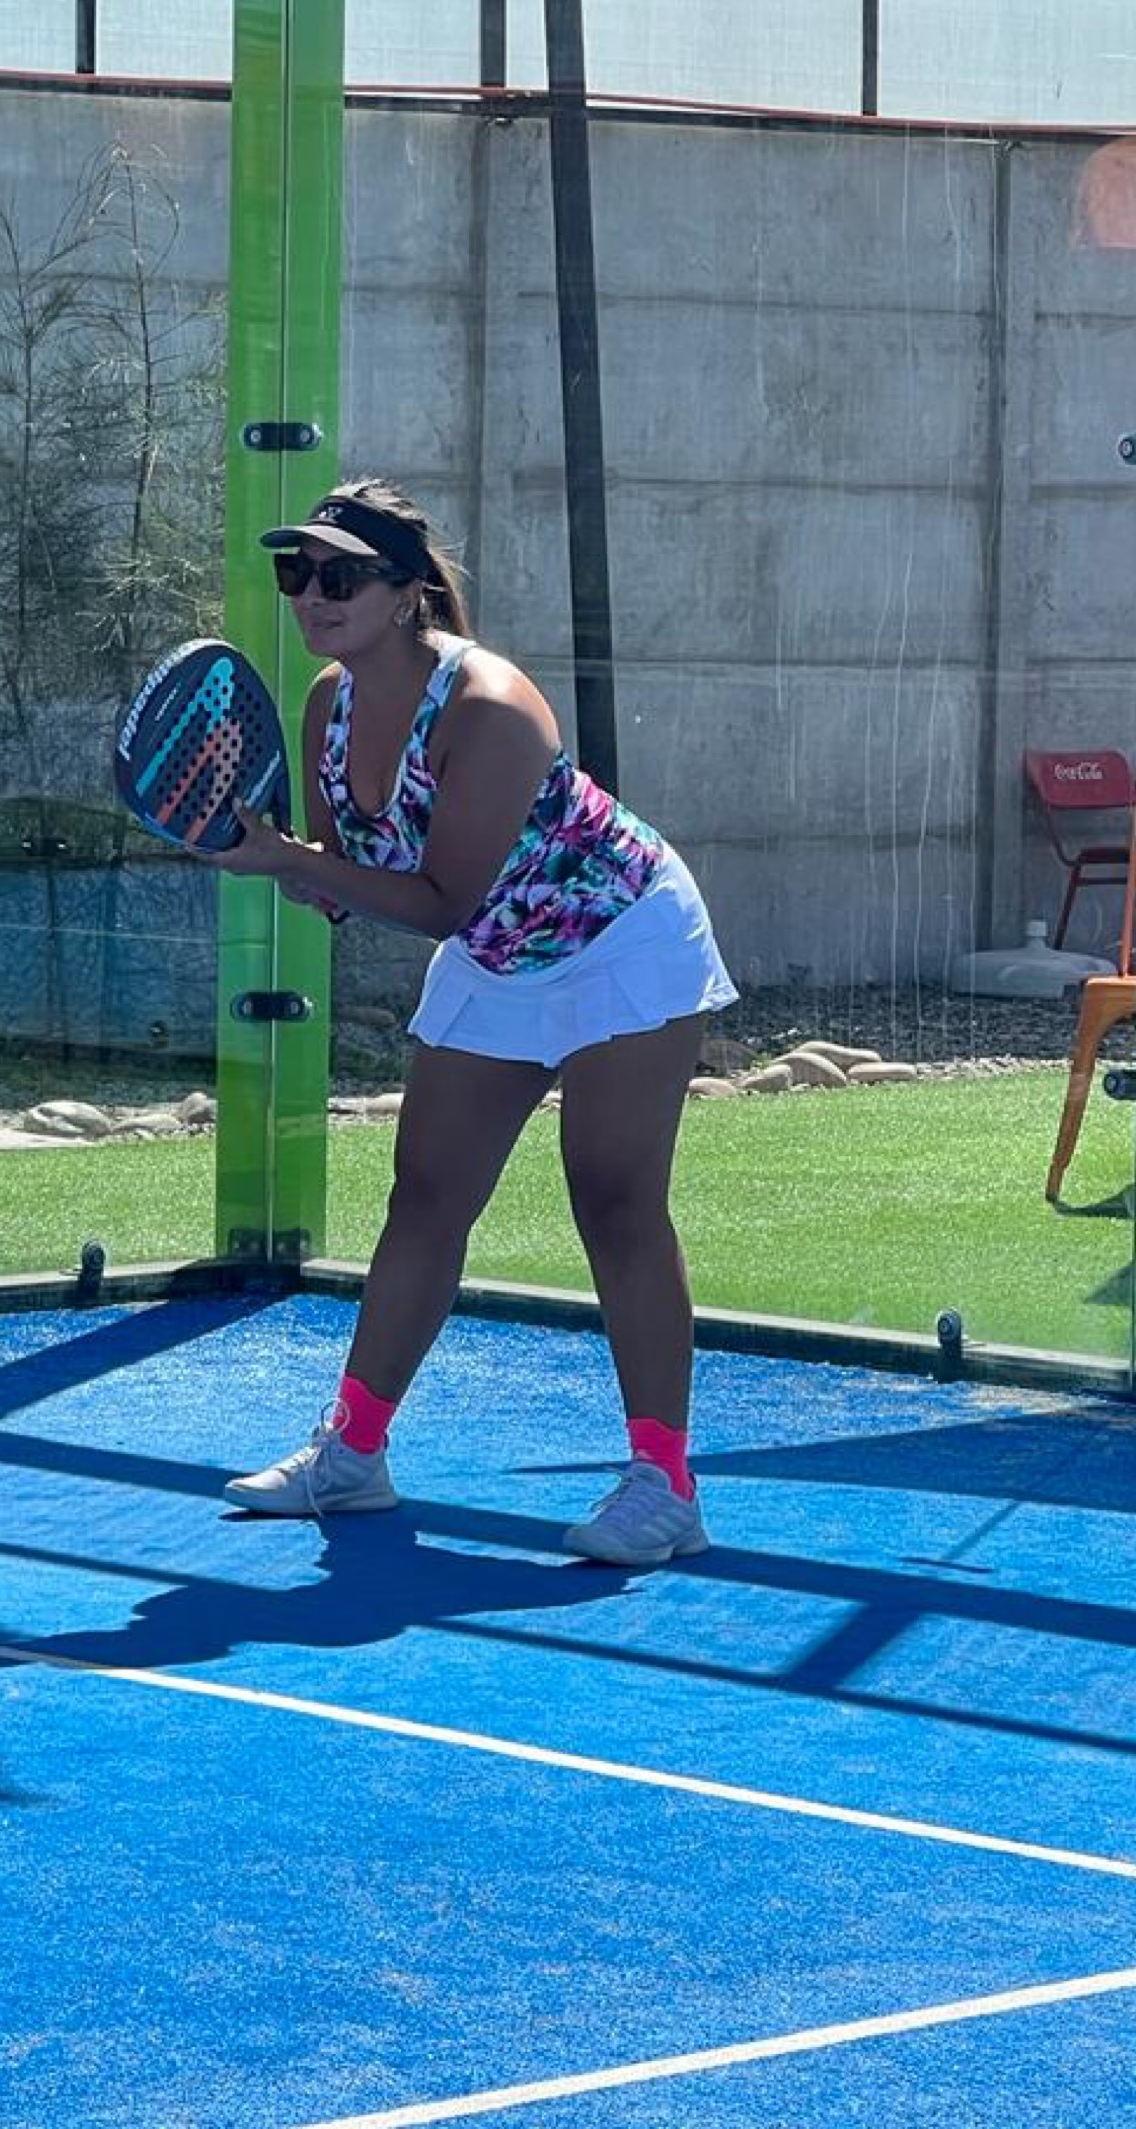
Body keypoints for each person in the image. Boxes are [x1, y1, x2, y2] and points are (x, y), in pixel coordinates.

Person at [209, 477, 738, 1566]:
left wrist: (290, 861)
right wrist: (287, 866)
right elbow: (348, 874)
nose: (312, 595)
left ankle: (666, 1488)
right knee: (426, 1195)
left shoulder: (491, 707)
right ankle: (353, 1455)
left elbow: (442, 899)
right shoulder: (326, 705)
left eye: (342, 576)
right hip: (500, 954)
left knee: (614, 1198)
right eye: (296, 572)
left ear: (407, 592)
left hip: (621, 936)